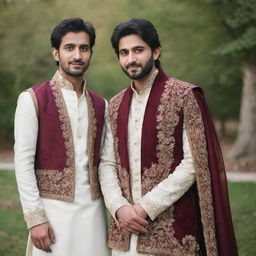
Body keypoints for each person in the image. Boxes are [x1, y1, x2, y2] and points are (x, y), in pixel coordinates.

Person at [99, 18, 238, 256]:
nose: (131, 59)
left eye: (138, 50)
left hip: (173, 231)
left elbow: (194, 162)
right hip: (125, 233)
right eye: (124, 52)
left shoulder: (184, 96)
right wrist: (119, 207)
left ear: (156, 51)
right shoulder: (115, 104)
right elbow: (107, 162)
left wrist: (144, 208)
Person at [14, 18, 109, 256]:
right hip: (52, 214)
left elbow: (106, 163)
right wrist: (35, 219)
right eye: (69, 48)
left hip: (93, 215)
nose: (77, 55)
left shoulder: (101, 104)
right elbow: (23, 163)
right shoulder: (32, 99)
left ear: (90, 53)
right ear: (56, 53)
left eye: (84, 48)